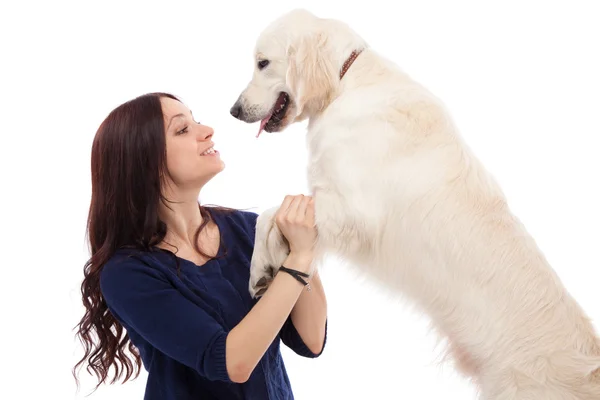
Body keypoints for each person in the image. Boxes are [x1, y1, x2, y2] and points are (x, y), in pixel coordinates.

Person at [73, 92, 328, 400]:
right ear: (146, 161)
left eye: (195, 120)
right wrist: (298, 258)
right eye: (182, 129)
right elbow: (232, 361)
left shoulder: (247, 229)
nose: (206, 130)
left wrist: (303, 251)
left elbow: (311, 340)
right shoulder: (127, 274)